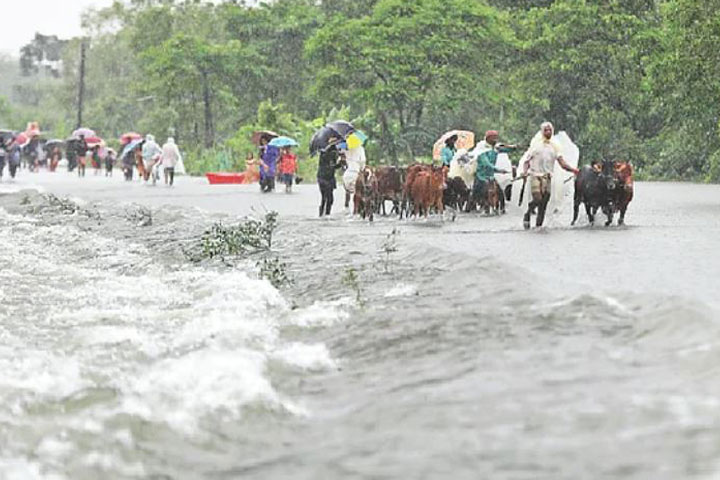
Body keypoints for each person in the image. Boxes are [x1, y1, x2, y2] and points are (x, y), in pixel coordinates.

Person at [521, 122, 579, 229]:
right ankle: (528, 212)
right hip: (535, 175)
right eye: (546, 130)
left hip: (547, 177)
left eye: (550, 130)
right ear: (542, 131)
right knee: (537, 198)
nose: (548, 132)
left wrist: (573, 170)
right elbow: (526, 161)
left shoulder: (555, 146)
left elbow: (562, 163)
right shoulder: (535, 145)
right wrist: (524, 172)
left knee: (543, 203)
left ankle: (538, 226)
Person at [472, 130, 517, 213]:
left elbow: (506, 149)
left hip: (491, 175)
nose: (496, 140)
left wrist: (513, 148)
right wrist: (498, 170)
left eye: (496, 138)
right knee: (477, 194)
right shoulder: (481, 149)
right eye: (494, 138)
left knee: (500, 194)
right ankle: (474, 205)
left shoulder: (495, 148)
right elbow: (486, 164)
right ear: (488, 138)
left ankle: (502, 209)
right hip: (481, 176)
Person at [317, 144, 345, 217]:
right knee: (326, 198)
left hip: (329, 178)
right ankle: (324, 214)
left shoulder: (332, 155)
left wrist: (340, 163)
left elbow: (334, 166)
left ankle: (325, 214)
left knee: (328, 198)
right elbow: (330, 166)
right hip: (323, 178)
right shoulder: (324, 154)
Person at [342, 141, 367, 209]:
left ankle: (346, 207)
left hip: (346, 175)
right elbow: (363, 160)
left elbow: (341, 159)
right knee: (360, 193)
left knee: (348, 192)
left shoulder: (345, 147)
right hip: (355, 173)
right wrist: (362, 168)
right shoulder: (360, 148)